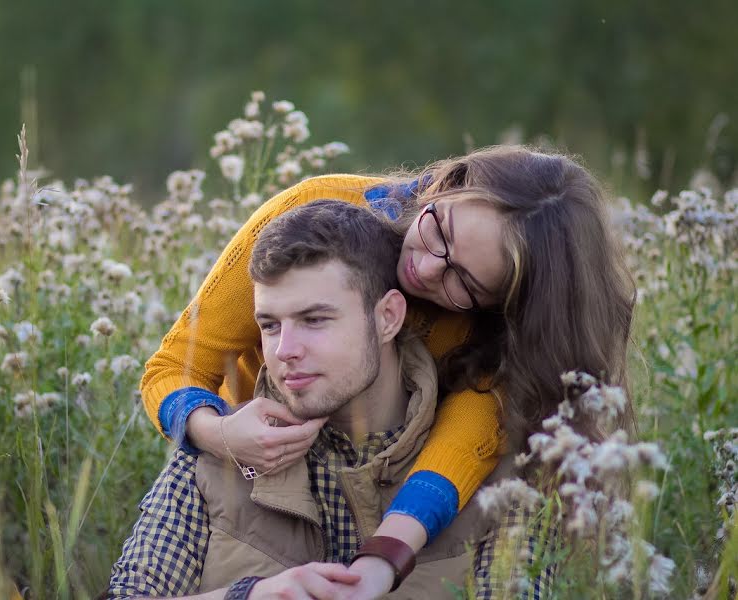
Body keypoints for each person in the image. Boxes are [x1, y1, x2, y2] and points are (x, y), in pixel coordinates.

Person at [140, 145, 635, 573]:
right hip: (253, 492)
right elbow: (173, 367)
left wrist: (387, 553)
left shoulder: (501, 331)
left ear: (504, 302)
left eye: (463, 281)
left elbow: (463, 442)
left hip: (393, 498)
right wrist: (221, 434)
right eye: (439, 229)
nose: (423, 266)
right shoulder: (312, 210)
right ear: (449, 184)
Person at [108, 201, 541, 599]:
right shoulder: (214, 456)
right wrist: (251, 596)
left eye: (315, 320)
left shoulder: (504, 484)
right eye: (270, 325)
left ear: (388, 316)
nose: (284, 351)